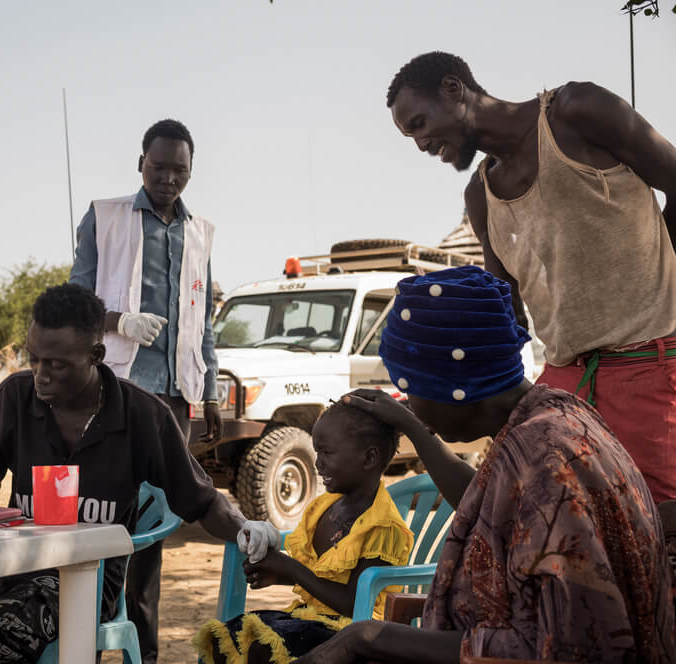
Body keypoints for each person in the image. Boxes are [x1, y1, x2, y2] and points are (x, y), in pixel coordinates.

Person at [0, 284, 280, 663]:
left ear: (95, 356)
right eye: (34, 359)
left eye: (56, 365)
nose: (41, 375)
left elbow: (201, 501)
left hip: (83, 579)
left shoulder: (142, 415)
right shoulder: (16, 397)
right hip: (2, 564)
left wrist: (246, 529)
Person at [294, 266, 675, 663]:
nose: (414, 408)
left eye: (411, 389)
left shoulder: (548, 463)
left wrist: (368, 638)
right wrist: (411, 425)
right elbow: (485, 504)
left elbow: (562, 648)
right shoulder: (552, 418)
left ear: (453, 386)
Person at [386, 51, 676, 507]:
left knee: (660, 532)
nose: (420, 143)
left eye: (419, 123)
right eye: (410, 136)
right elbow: (505, 316)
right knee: (562, 534)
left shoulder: (576, 112)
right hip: (563, 382)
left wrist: (661, 270)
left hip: (649, 368)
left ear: (452, 89)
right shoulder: (480, 194)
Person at [68, 117, 222, 664]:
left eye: (179, 170)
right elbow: (74, 302)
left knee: (154, 528)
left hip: (173, 400)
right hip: (115, 392)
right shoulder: (105, 217)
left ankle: (144, 650)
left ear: (190, 171)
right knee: (102, 517)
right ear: (141, 163)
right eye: (159, 167)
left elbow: (202, 318)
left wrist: (210, 388)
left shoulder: (200, 230)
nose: (168, 178)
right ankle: (80, 637)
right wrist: (118, 322)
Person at [194, 401, 413, 664]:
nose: (318, 464)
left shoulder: (382, 527)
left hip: (354, 632)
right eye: (316, 452)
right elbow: (323, 576)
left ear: (369, 458)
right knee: (226, 638)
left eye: (327, 453)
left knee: (263, 647)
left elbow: (353, 603)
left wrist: (292, 569)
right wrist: (280, 575)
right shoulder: (323, 507)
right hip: (310, 618)